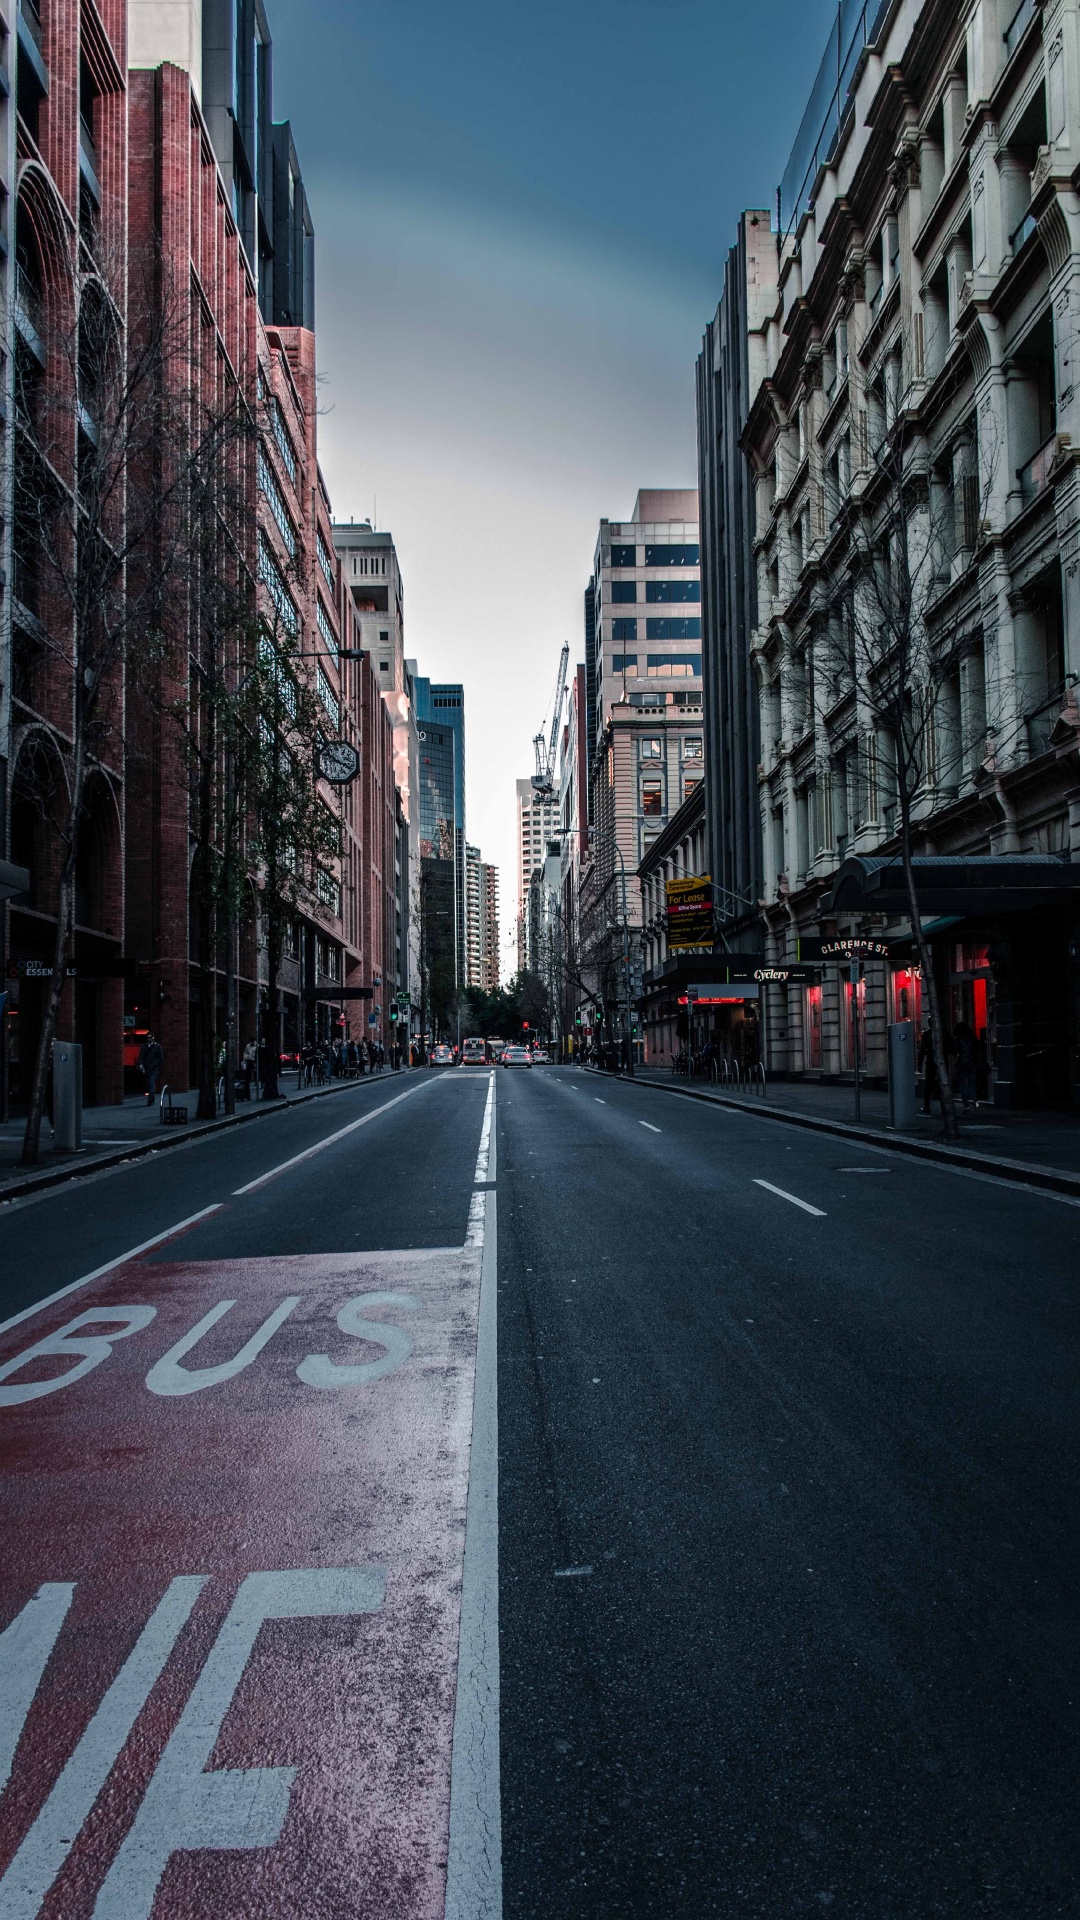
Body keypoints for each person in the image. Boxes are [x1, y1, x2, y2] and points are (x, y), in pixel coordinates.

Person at [953, 1020, 981, 1113]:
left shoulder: (958, 1039)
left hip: (961, 1063)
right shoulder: (972, 1037)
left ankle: (966, 1105)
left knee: (963, 1085)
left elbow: (955, 1051)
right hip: (971, 1062)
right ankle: (975, 1101)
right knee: (972, 1083)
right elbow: (977, 1048)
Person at [138, 1032, 163, 1106]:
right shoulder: (144, 1046)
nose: (149, 1039)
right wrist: (141, 1065)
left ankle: (150, 1100)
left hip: (154, 1069)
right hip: (146, 1069)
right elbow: (141, 1057)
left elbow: (160, 1058)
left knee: (151, 1083)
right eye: (148, 1038)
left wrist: (156, 1065)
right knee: (149, 1084)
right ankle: (152, 1099)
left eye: (150, 1037)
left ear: (153, 1038)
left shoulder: (158, 1046)